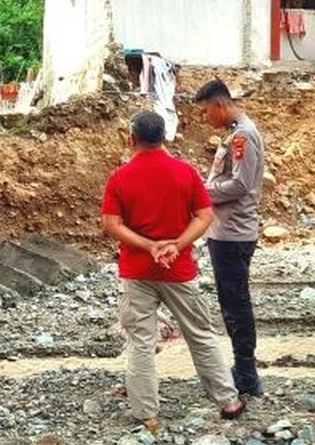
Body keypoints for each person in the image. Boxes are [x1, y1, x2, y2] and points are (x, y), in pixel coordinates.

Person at [101, 110, 247, 431]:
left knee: (140, 341)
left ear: (131, 138)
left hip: (136, 270)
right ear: (164, 137)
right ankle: (228, 401)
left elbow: (111, 224)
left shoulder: (119, 177)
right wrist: (177, 245)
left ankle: (147, 415)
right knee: (201, 335)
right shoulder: (185, 173)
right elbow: (205, 216)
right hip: (179, 270)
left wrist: (148, 246)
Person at [193, 78, 265, 397]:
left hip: (234, 232)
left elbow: (239, 185)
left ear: (221, 105)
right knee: (230, 302)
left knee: (236, 303)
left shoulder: (244, 136)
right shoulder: (234, 133)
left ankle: (247, 373)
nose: (205, 118)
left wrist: (200, 192)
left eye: (207, 111)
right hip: (225, 231)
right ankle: (243, 367)